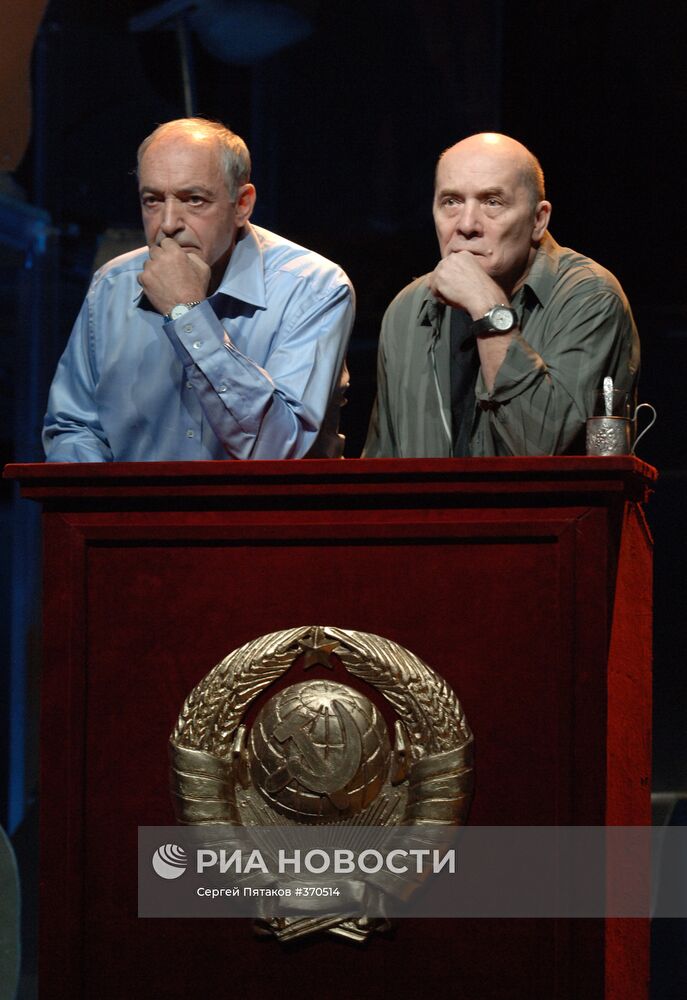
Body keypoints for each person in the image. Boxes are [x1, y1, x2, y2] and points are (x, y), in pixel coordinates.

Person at [43, 118, 354, 461]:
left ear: (242, 204)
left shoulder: (313, 288)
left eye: (193, 199)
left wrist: (187, 314)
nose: (168, 224)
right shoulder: (111, 285)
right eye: (153, 200)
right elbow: (73, 428)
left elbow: (281, 451)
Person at [363, 132, 640, 457]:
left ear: (538, 219)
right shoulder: (407, 310)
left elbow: (537, 449)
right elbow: (382, 463)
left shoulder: (590, 297)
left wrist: (487, 308)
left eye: (492, 202)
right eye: (451, 202)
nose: (467, 225)